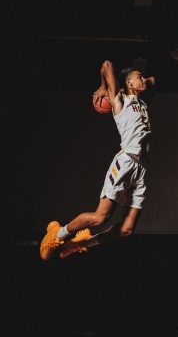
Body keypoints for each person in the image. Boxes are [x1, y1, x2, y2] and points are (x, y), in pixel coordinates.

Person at [40, 60, 155, 260]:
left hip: (142, 169)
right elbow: (107, 65)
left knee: (127, 230)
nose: (143, 79)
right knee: (100, 217)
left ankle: (80, 243)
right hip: (125, 162)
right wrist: (104, 86)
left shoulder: (143, 102)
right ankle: (57, 235)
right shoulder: (120, 100)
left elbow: (152, 80)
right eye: (139, 77)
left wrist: (143, 79)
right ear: (128, 83)